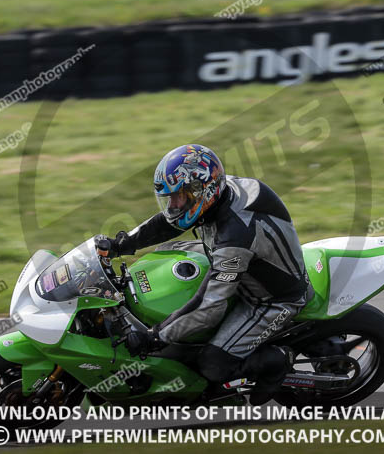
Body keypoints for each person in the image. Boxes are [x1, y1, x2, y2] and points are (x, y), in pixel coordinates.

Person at [104, 144, 314, 405]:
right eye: (169, 198)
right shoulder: (220, 192)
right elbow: (167, 223)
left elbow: (209, 308)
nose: (172, 205)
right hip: (239, 261)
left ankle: (277, 361)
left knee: (213, 364)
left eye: (177, 197)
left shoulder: (234, 237)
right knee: (162, 256)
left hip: (272, 300)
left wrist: (155, 336)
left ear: (202, 191)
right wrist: (120, 245)